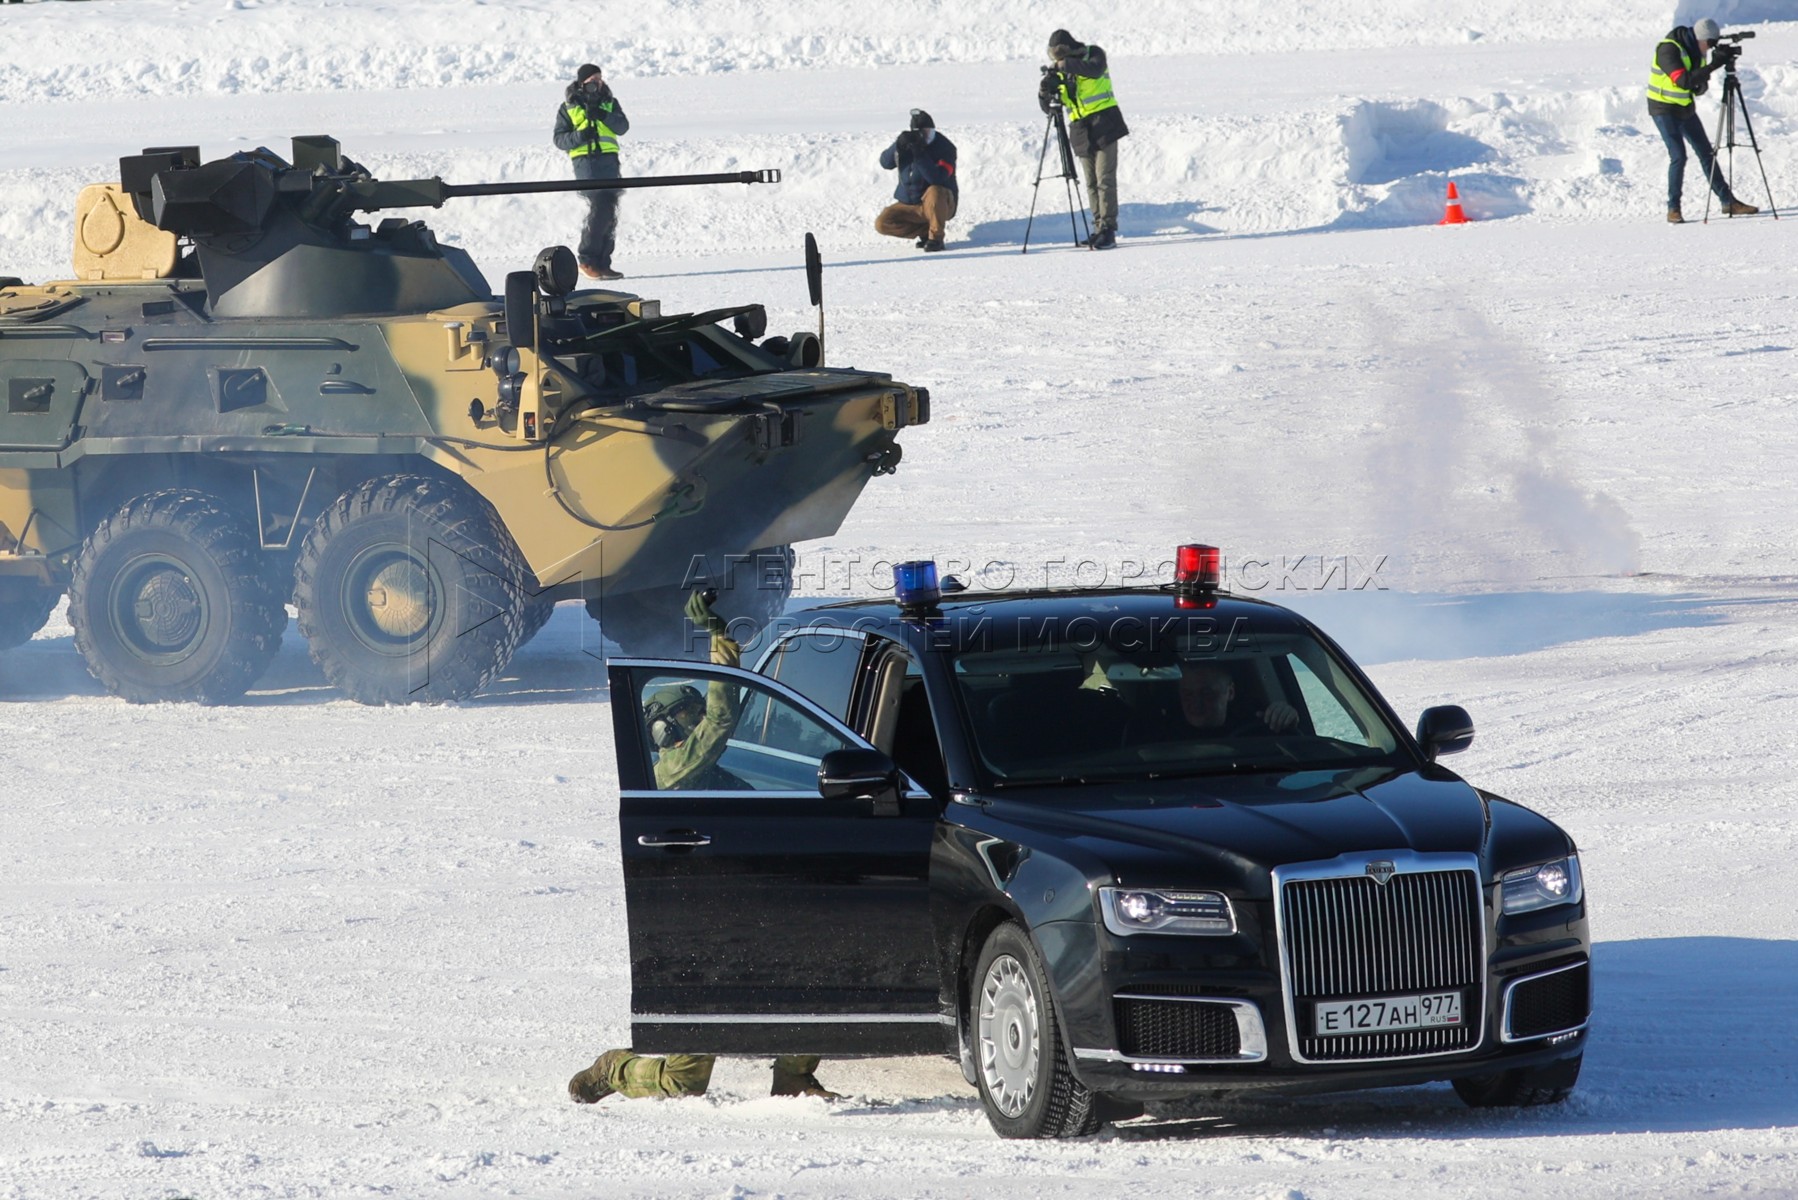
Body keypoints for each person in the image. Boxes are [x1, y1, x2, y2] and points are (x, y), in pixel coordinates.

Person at [567, 589, 840, 1104]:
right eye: (690, 716)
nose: (701, 722)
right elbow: (721, 720)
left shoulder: (709, 774)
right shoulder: (675, 771)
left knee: (805, 977)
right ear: (669, 730)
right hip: (708, 927)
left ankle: (794, 1075)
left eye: (696, 714)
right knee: (684, 1081)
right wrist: (720, 642)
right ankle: (616, 1069)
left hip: (753, 900)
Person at [1648, 18, 1758, 224]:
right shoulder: (1668, 50)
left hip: (1684, 107)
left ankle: (1728, 201)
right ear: (1700, 38)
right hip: (1663, 109)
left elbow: (1697, 84)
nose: (1710, 48)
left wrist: (1702, 83)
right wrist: (1715, 65)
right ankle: (1673, 208)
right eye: (1710, 43)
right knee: (1678, 156)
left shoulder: (1697, 50)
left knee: (1707, 153)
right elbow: (1683, 81)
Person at [1039, 29, 1129, 249]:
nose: (1059, 59)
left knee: (1104, 179)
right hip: (1080, 130)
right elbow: (1049, 107)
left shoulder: (1093, 54)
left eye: (1061, 54)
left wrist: (1064, 66)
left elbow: (1095, 71)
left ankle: (1108, 229)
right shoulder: (1060, 69)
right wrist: (1044, 92)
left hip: (1105, 123)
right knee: (1090, 182)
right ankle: (1098, 227)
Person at [552, 63, 631, 279]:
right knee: (599, 206)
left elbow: (622, 127)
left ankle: (603, 263)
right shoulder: (569, 105)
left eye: (600, 78)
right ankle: (587, 260)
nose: (597, 83)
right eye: (592, 80)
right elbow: (559, 139)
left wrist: (603, 115)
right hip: (585, 161)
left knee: (610, 210)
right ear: (582, 82)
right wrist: (581, 136)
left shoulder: (608, 102)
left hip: (609, 160)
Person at [875, 109, 959, 252]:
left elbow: (937, 178)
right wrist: (898, 145)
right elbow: (885, 163)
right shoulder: (909, 145)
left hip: (941, 204)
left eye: (930, 132)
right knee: (883, 223)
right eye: (923, 133)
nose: (927, 136)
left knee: (935, 191)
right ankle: (925, 231)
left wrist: (920, 154)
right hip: (912, 204)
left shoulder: (946, 148)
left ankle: (936, 238)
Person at [1177, 662, 1300, 735]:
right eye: (1187, 694)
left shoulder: (1258, 728)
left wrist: (1285, 719)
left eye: (1206, 693)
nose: (1196, 703)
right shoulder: (1165, 735)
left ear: (1230, 692)